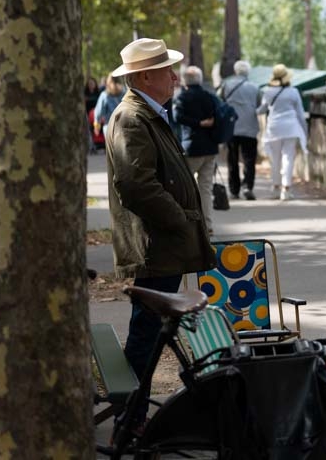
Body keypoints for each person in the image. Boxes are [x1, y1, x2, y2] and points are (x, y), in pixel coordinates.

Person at [104, 37, 213, 426]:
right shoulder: (132, 117)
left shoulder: (148, 113)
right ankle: (130, 425)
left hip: (162, 242)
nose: (174, 77)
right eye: (167, 70)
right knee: (145, 338)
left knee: (148, 335)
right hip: (156, 245)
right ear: (146, 76)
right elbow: (136, 185)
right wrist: (180, 219)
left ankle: (131, 422)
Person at [172, 64, 229, 228]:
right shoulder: (209, 96)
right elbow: (220, 114)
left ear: (185, 81)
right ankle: (208, 225)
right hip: (210, 148)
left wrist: (197, 123)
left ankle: (187, 224)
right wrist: (207, 123)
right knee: (205, 188)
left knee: (185, 187)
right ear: (200, 79)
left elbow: (177, 117)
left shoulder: (182, 97)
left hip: (192, 147)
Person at [257, 64, 308, 200]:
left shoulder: (268, 91)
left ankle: (275, 186)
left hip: (274, 127)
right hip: (291, 127)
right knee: (288, 157)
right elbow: (300, 114)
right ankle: (286, 188)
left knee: (275, 159)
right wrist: (305, 132)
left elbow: (261, 110)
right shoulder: (293, 92)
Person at [220, 60, 260, 202]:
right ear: (248, 72)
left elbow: (221, 102)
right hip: (250, 127)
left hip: (232, 127)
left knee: (233, 159)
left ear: (235, 71)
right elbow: (259, 106)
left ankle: (234, 190)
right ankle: (248, 187)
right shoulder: (255, 87)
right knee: (249, 159)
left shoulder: (227, 84)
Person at [92, 76, 124, 149]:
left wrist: (96, 126)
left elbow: (98, 112)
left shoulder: (105, 95)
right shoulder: (124, 92)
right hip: (124, 125)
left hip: (110, 126)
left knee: (112, 152)